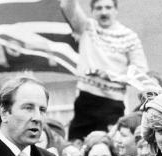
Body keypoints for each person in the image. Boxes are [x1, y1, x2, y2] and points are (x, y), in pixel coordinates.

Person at [60, 0, 149, 140]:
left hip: (112, 103)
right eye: (99, 8)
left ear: (116, 10)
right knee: (75, 145)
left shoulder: (129, 36)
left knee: (109, 145)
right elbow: (67, 6)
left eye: (108, 7)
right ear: (92, 11)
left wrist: (112, 76)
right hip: (86, 99)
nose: (104, 12)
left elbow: (141, 72)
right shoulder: (86, 27)